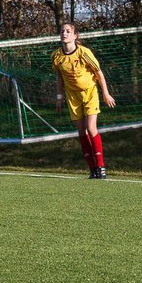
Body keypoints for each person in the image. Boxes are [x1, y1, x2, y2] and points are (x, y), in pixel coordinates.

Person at [53, 23, 116, 179]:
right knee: (81, 131)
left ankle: (101, 167)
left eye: (68, 31)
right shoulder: (56, 56)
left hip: (89, 93)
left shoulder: (84, 53)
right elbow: (60, 78)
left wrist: (106, 93)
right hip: (72, 96)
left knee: (90, 127)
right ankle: (92, 169)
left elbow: (98, 73)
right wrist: (59, 97)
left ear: (75, 36)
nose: (64, 33)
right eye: (62, 31)